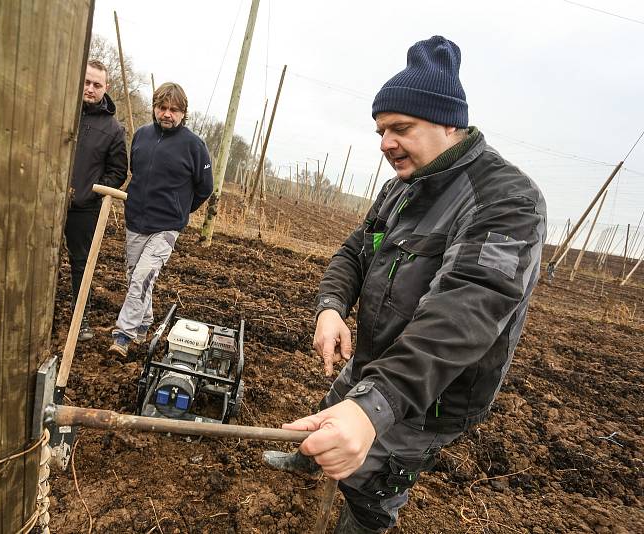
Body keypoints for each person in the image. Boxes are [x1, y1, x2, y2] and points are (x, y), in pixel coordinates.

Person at [264, 36, 547, 533]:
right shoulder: (402, 188)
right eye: (380, 130)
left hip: (428, 391)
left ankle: (365, 517)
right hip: (373, 359)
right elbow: (356, 249)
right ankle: (311, 460)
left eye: (400, 128)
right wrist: (331, 306)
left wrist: (376, 405)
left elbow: (466, 311)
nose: (385, 143)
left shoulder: (506, 200)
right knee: (334, 412)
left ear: (448, 122)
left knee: (373, 477)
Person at [109, 82, 213, 357]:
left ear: (183, 113)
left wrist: (180, 211)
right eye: (162, 108)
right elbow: (137, 171)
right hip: (136, 219)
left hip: (166, 227)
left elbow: (205, 188)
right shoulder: (141, 135)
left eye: (174, 110)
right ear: (155, 108)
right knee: (135, 277)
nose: (167, 114)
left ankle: (123, 334)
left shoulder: (194, 146)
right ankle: (144, 324)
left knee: (143, 277)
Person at [66, 59, 128, 341]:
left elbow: (118, 171)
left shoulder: (113, 129)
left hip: (83, 207)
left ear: (106, 87)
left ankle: (81, 320)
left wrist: (91, 191)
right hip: (45, 202)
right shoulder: (63, 110)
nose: (90, 89)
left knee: (81, 262)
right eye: (87, 82)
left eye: (97, 85)